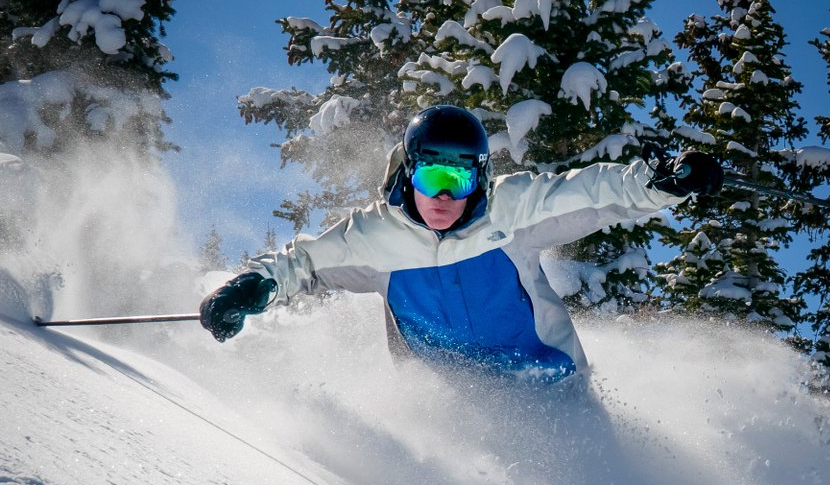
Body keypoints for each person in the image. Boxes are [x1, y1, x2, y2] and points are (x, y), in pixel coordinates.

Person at [200, 105, 723, 381]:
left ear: (481, 178)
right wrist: (251, 287)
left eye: (460, 179)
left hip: (551, 383)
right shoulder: (375, 237)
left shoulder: (511, 213)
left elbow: (588, 192)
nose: (445, 197)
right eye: (432, 178)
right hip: (451, 403)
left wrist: (659, 184)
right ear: (408, 174)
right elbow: (303, 264)